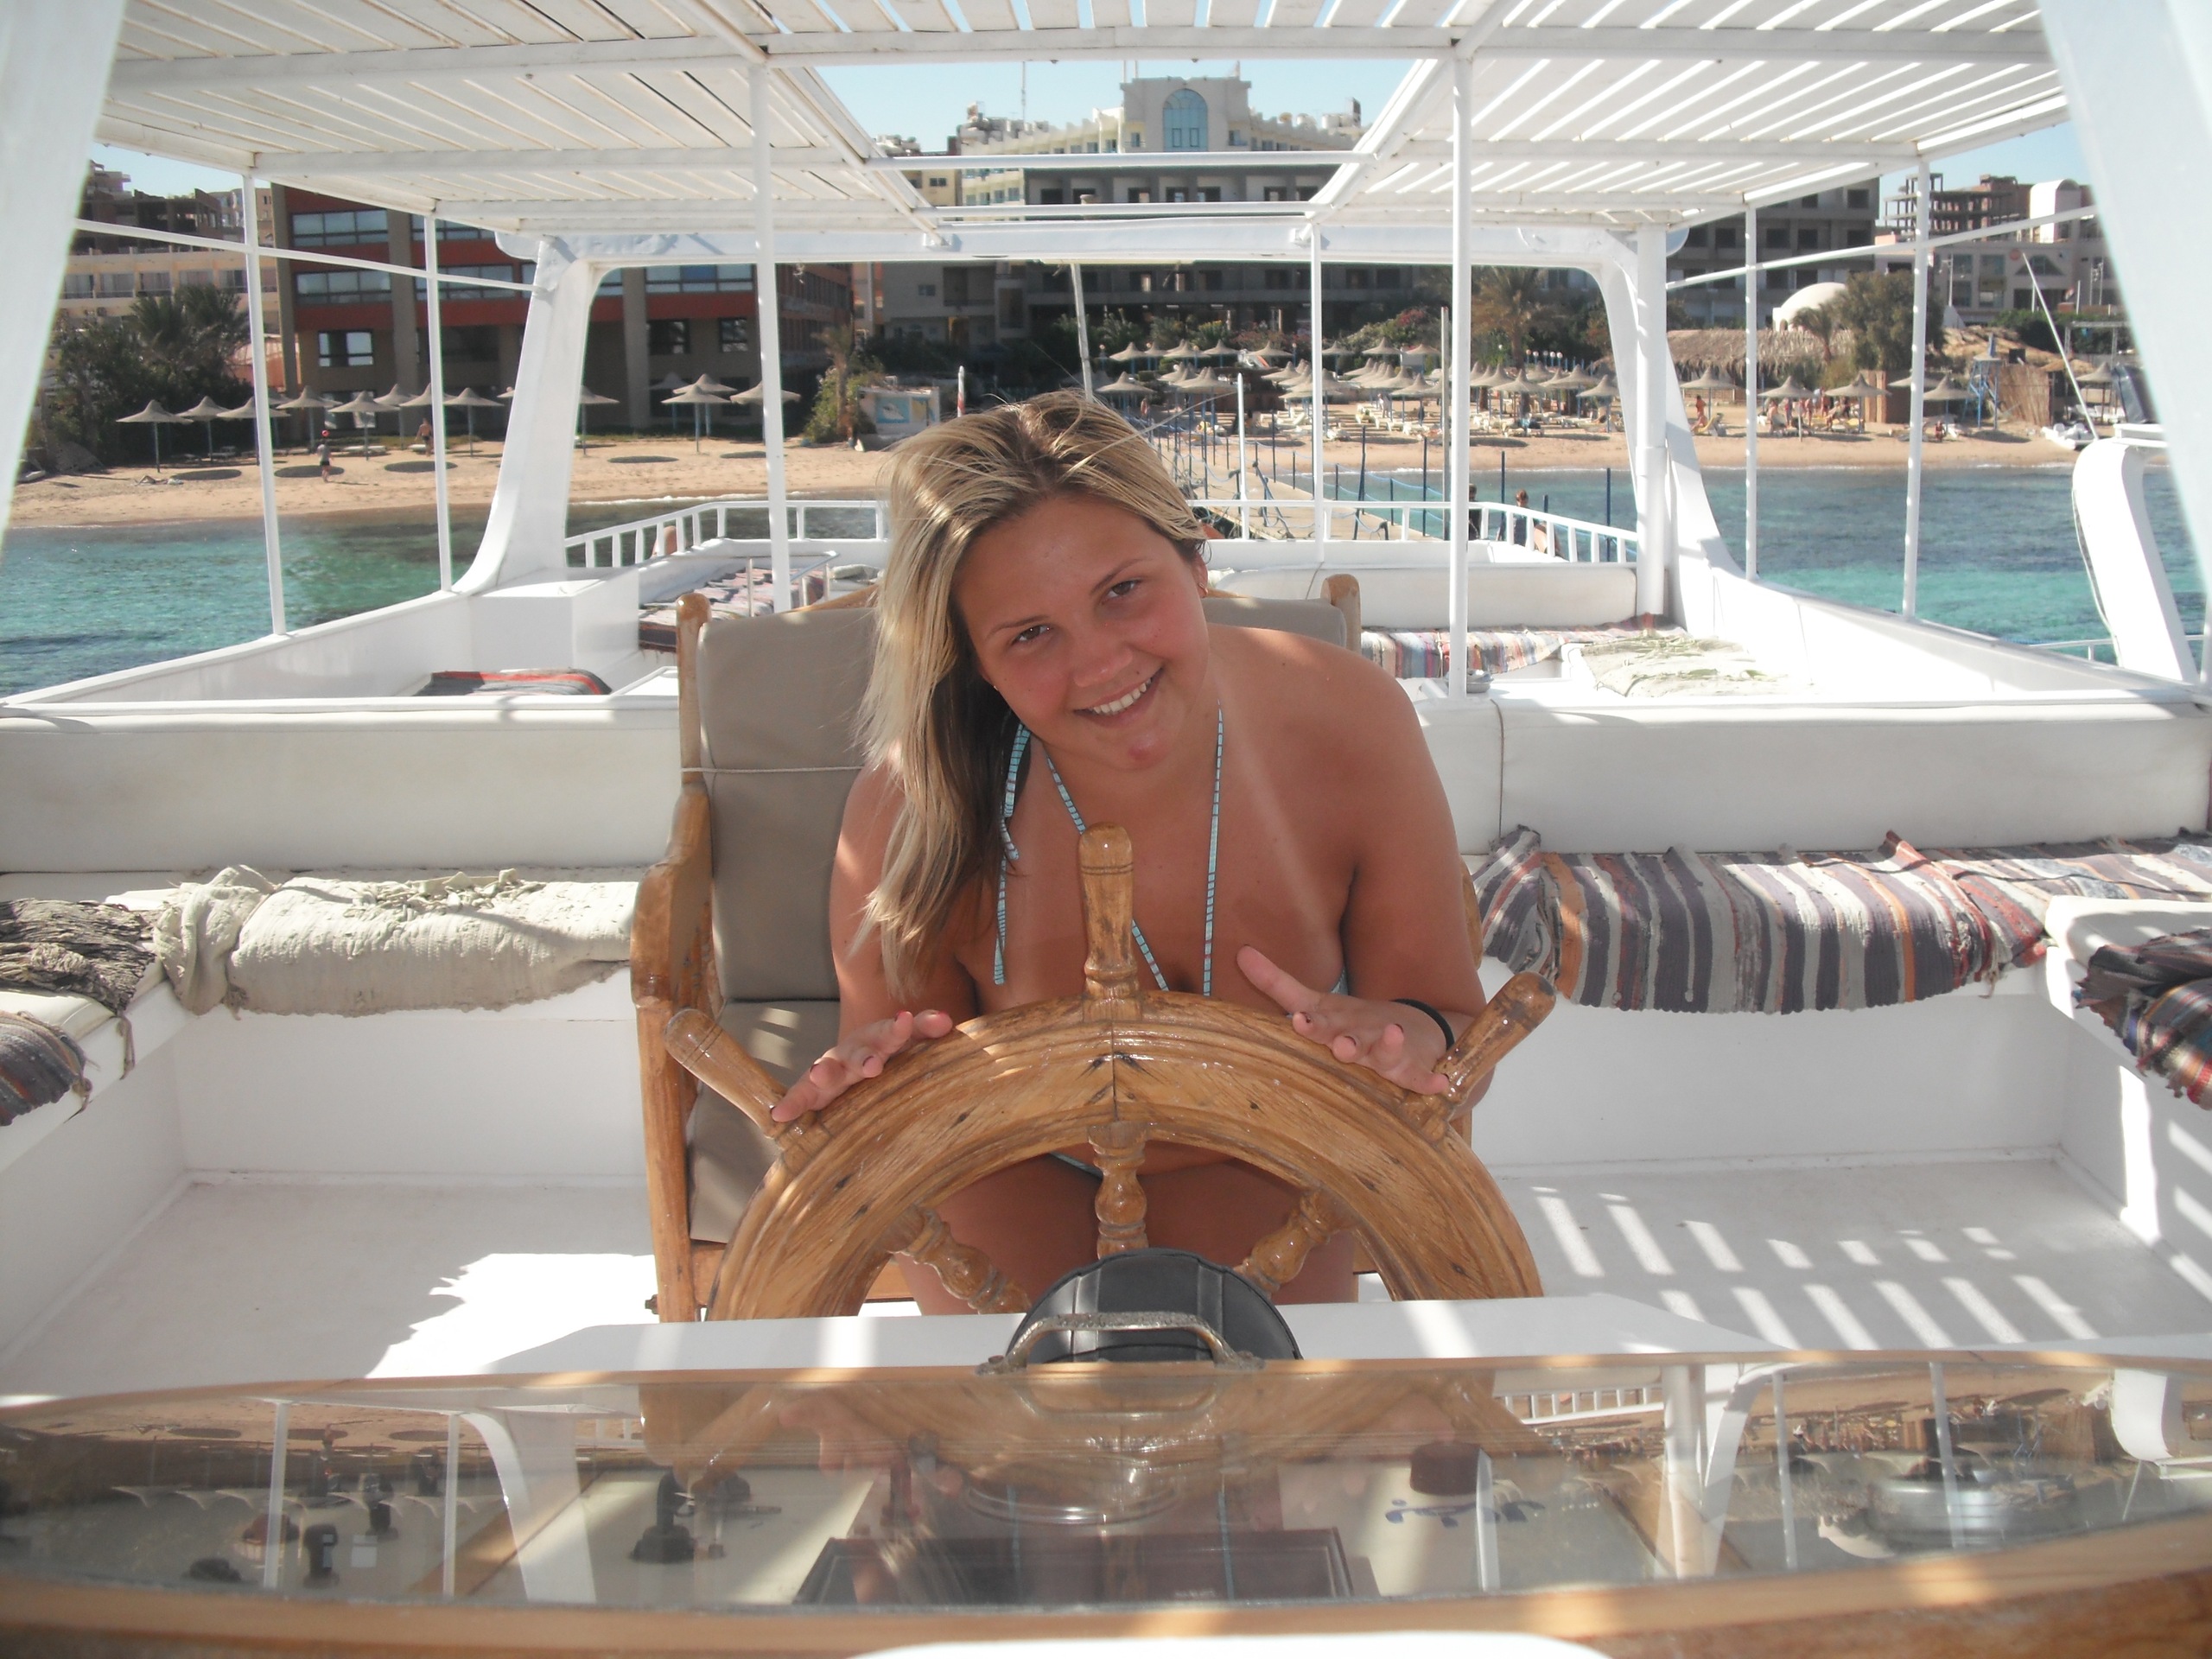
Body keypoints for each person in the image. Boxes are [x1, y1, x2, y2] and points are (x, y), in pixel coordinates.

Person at [773, 391, 1488, 1309]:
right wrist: (869, 1085)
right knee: (1024, 1391)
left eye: (1122, 592)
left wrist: (1408, 1041)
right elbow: (905, 1104)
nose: (1100, 664)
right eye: (1030, 635)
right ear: (974, 661)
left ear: (1195, 560)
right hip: (1015, 1159)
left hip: (1271, 1151)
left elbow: (1450, 1024)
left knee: (1259, 1390)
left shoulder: (1353, 719)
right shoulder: (907, 813)